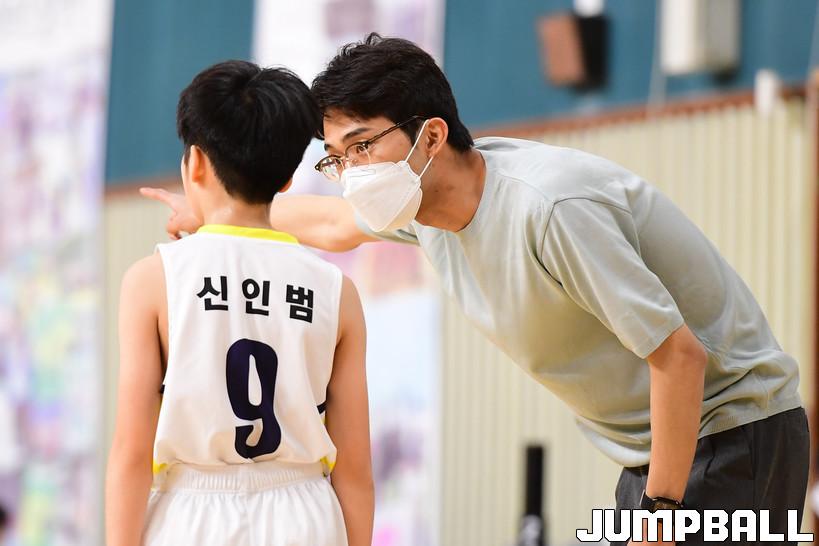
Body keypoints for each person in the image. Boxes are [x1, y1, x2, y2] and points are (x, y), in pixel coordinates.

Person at [143, 35, 809, 545]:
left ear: (431, 135)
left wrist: (660, 515)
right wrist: (211, 211)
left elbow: (679, 355)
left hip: (734, 430)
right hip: (659, 448)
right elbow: (331, 223)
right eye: (336, 157)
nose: (349, 173)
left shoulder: (547, 208)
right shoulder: (424, 210)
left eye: (361, 147)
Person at [107, 60, 373, 546]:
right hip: (305, 515)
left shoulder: (152, 280)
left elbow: (131, 453)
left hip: (191, 516)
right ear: (288, 178)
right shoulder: (338, 291)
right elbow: (355, 470)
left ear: (195, 162)